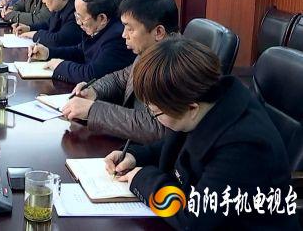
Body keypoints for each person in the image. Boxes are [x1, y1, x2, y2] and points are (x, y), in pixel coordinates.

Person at [105, 37, 297, 229]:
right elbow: (179, 143)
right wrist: (136, 156)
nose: (153, 116)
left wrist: (143, 180)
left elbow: (193, 220)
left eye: (155, 112)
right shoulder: (207, 102)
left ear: (192, 108)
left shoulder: (243, 147)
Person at [61, 0, 180, 143]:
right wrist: (94, 90)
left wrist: (93, 111)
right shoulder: (150, 50)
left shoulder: (175, 67)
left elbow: (158, 128)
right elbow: (121, 78)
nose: (124, 34)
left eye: (130, 29)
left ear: (158, 32)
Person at [28, 0, 134, 83]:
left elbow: (91, 74)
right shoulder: (97, 27)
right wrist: (49, 53)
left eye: (81, 17)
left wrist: (60, 66)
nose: (78, 22)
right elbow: (80, 51)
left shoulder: (118, 38)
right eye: (76, 16)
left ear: (102, 18)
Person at [12, 0, 80, 49]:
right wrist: (29, 28)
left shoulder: (76, 12)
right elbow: (49, 24)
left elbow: (57, 40)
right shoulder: (60, 6)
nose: (43, 1)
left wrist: (34, 35)